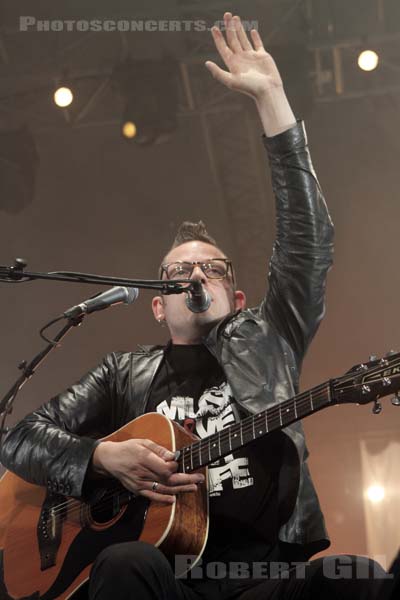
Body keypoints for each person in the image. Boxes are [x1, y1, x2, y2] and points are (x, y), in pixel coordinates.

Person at [0, 12, 393, 600]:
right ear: (158, 306)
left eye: (211, 266)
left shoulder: (270, 336)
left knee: (360, 579)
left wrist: (274, 103)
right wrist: (103, 456)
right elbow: (19, 439)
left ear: (236, 297)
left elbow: (308, 243)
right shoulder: (123, 374)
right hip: (169, 578)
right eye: (177, 272)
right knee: (124, 565)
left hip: (265, 577)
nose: (194, 274)